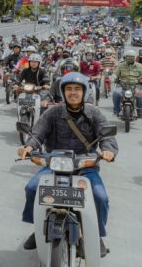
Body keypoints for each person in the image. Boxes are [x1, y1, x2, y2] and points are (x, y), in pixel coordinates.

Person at [18, 72, 118, 256]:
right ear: (63, 92)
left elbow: (106, 135)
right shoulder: (52, 112)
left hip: (85, 166)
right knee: (32, 188)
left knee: (100, 197)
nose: (73, 93)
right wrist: (29, 147)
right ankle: (38, 225)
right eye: (69, 89)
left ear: (84, 92)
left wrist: (108, 150)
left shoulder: (94, 113)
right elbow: (37, 133)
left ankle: (97, 235)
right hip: (54, 164)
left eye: (77, 89)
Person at [112, 49, 142, 118]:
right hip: (122, 85)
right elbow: (115, 74)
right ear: (125, 57)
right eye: (128, 57)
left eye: (132, 57)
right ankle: (116, 110)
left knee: (141, 95)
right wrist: (113, 78)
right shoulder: (121, 65)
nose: (130, 59)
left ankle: (140, 112)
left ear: (134, 58)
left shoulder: (139, 66)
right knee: (116, 93)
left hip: (136, 85)